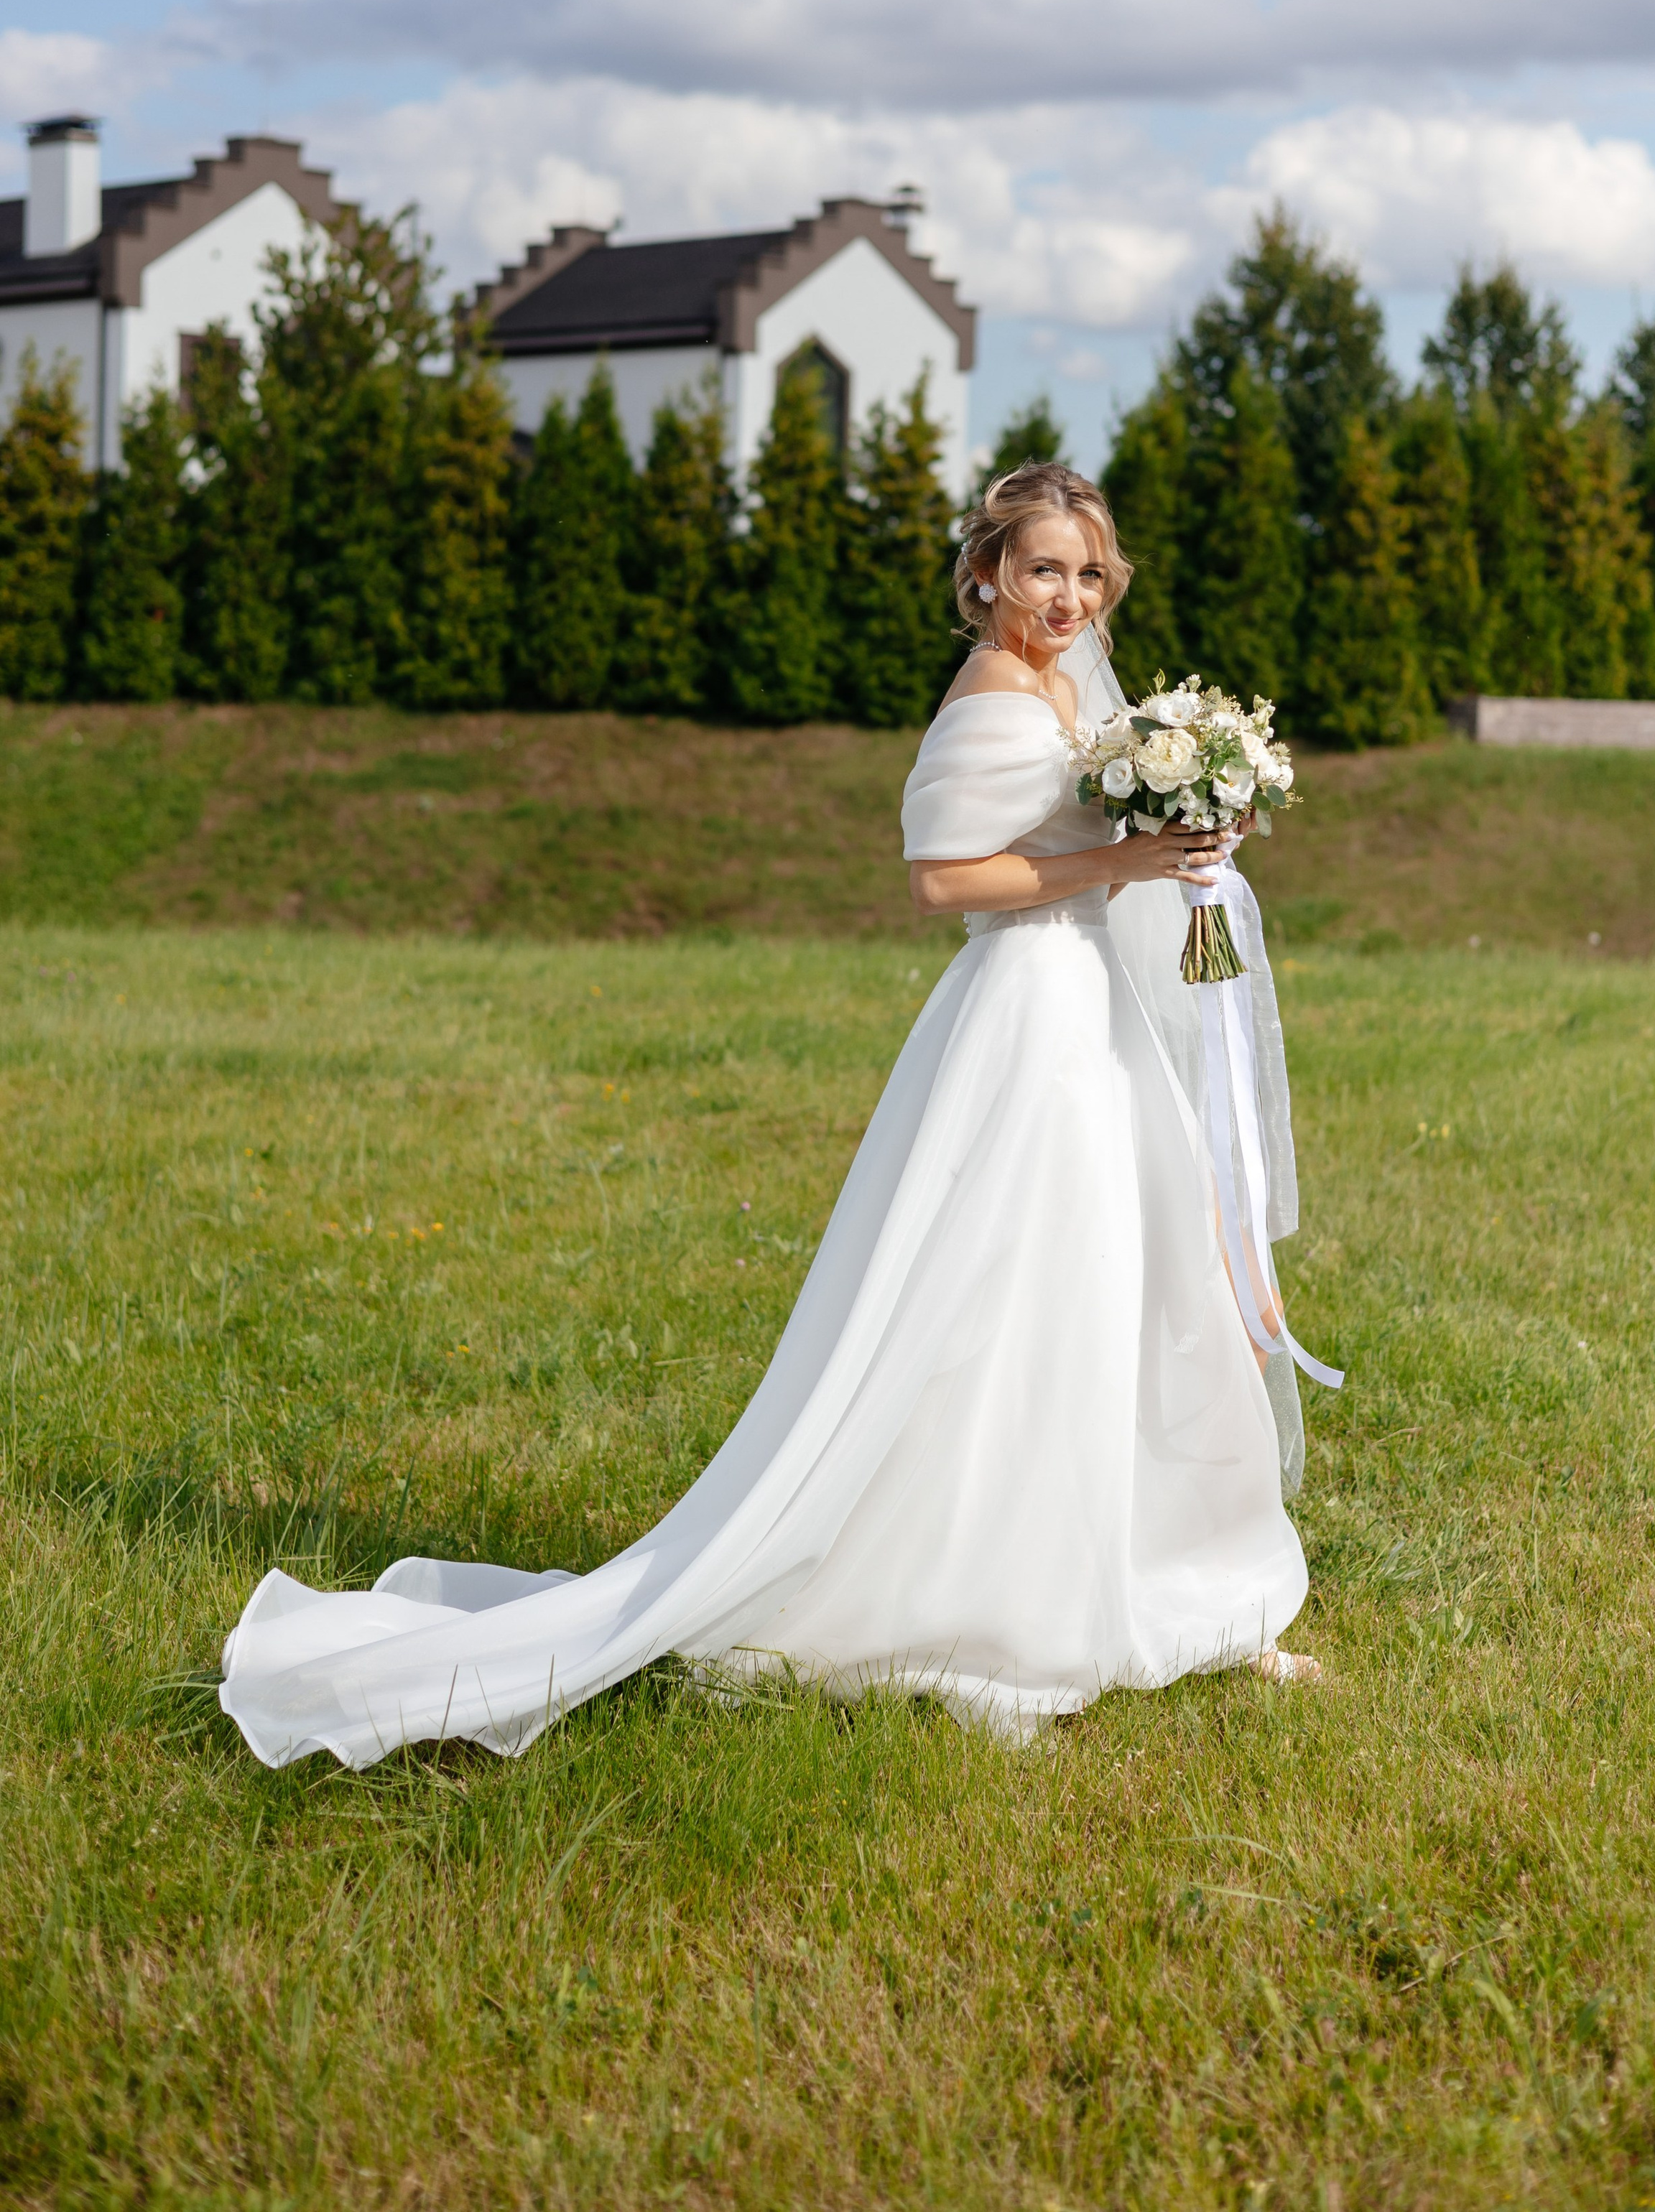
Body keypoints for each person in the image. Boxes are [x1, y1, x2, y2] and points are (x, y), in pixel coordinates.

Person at [220, 462, 1320, 1768]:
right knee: (1012, 1298)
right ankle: (1008, 1607)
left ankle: (1184, 1577)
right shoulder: (986, 701)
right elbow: (945, 879)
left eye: (1088, 572)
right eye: (1041, 570)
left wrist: (1195, 817)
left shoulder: (1078, 689)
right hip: (1025, 1018)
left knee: (1135, 1289)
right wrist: (1125, 858)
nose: (1067, 595)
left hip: (1096, 1019)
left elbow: (1102, 826)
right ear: (986, 576)